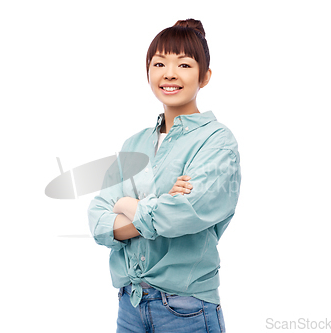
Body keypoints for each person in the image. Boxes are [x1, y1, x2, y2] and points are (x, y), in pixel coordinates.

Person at [87, 18, 241, 333]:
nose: (169, 73)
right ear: (148, 73)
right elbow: (98, 220)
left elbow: (181, 216)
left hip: (186, 309)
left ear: (205, 76)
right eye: (159, 63)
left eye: (183, 65)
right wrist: (159, 203)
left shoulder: (217, 141)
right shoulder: (134, 143)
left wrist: (127, 203)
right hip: (130, 304)